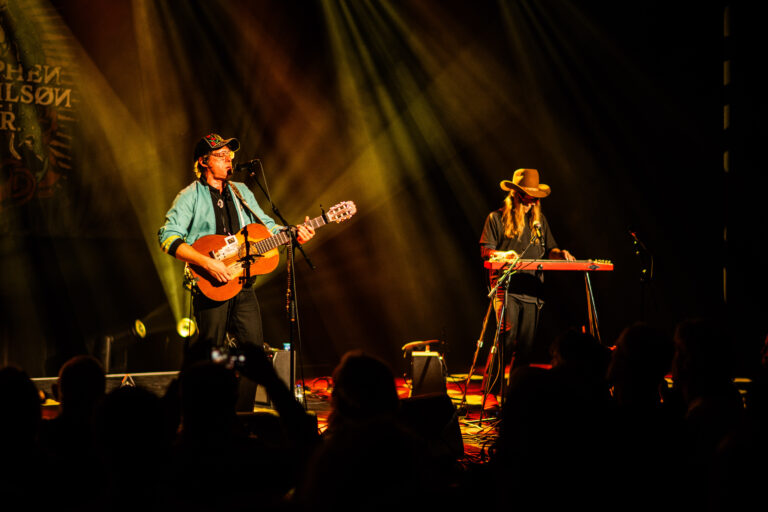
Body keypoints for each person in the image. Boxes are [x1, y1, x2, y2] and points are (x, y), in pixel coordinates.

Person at [158, 133, 315, 408]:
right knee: (210, 356)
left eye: (230, 155)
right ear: (203, 161)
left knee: (254, 354)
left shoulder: (241, 192)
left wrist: (293, 233)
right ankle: (203, 419)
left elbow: (266, 228)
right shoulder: (190, 195)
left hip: (243, 284)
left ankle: (242, 416)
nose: (229, 160)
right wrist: (207, 262)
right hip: (210, 284)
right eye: (221, 155)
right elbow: (168, 237)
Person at [479, 168, 574, 393]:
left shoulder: (539, 222)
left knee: (526, 346)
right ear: (517, 195)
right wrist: (505, 256)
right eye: (529, 197)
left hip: (532, 289)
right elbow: (486, 252)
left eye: (535, 199)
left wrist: (561, 254)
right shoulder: (496, 218)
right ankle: (493, 389)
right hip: (507, 289)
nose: (532, 203)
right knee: (507, 338)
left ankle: (516, 391)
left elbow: (550, 249)